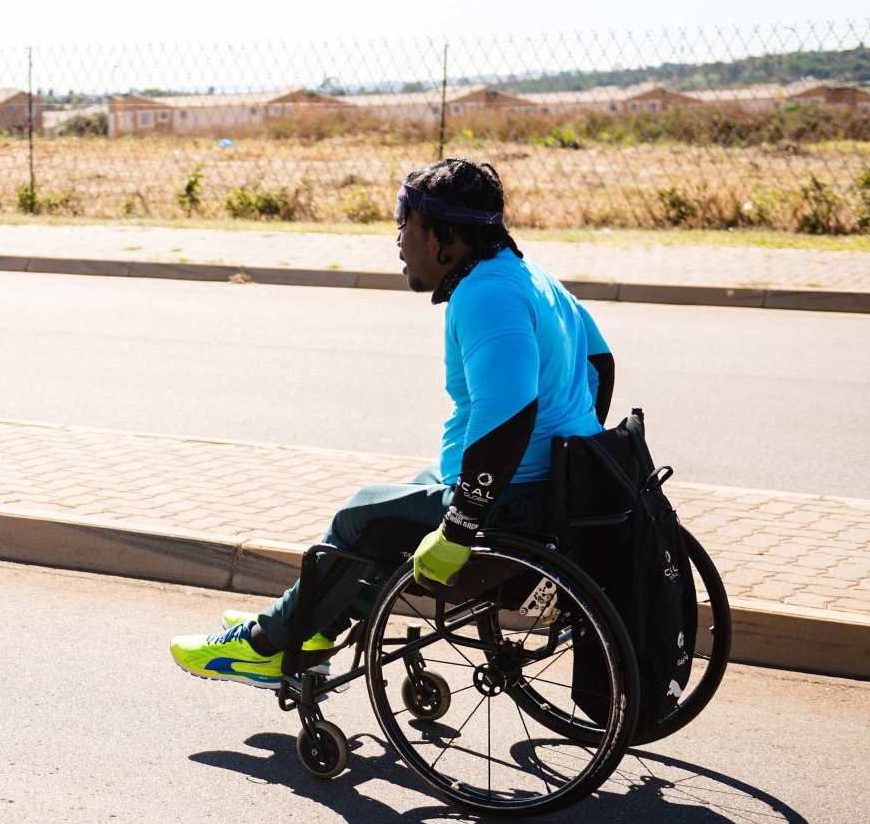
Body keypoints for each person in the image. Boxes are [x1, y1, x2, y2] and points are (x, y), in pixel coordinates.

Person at [169, 159, 615, 688]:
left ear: (445, 239)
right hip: (541, 489)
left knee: (357, 521)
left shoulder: (485, 295)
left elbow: (510, 416)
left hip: (510, 504)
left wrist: (462, 524)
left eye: (405, 225)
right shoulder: (530, 274)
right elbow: (600, 363)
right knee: (393, 497)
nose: (398, 240)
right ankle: (306, 626)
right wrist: (572, 452)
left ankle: (269, 647)